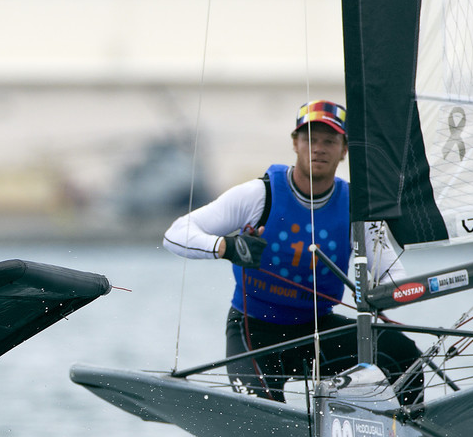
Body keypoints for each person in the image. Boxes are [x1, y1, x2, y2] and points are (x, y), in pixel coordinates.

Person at [163, 100, 423, 406]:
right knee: (263, 415)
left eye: (330, 141)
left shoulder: (357, 207)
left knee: (407, 357)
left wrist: (381, 294)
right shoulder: (259, 194)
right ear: (295, 144)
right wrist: (226, 247)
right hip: (254, 332)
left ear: (344, 150)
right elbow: (175, 234)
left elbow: (392, 273)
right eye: (310, 140)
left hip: (317, 331)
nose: (319, 148)